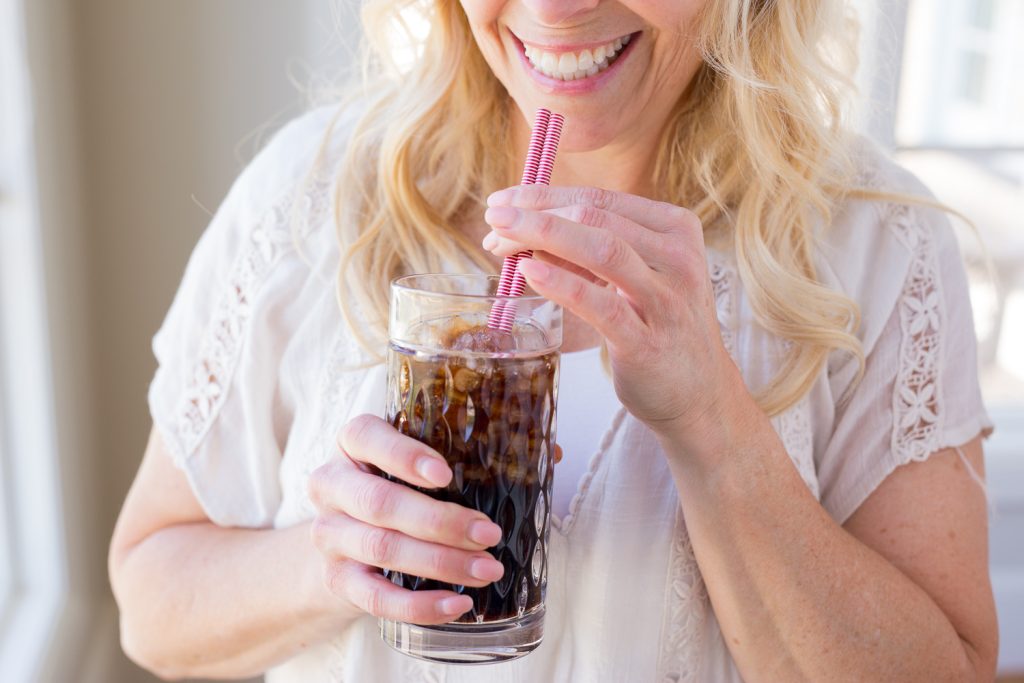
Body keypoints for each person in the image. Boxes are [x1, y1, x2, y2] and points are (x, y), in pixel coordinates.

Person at [109, 0, 999, 680]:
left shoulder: (877, 245)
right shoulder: (309, 197)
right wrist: (333, 555)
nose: (557, 8)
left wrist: (715, 424)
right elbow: (149, 601)